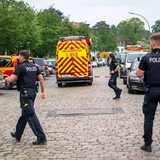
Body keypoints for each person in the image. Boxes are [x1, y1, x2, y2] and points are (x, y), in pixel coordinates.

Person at [5, 50, 47, 145]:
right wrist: (43, 91)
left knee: (30, 114)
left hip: (25, 94)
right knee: (25, 113)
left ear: (22, 57)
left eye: (19, 56)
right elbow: (41, 79)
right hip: (32, 93)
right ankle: (17, 134)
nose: (18, 58)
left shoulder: (21, 67)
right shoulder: (34, 66)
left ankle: (41, 137)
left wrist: (4, 78)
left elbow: (11, 79)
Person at [136, 32, 160, 152]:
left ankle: (148, 144)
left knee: (149, 118)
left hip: (151, 90)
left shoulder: (146, 57)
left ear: (153, 43)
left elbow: (139, 74)